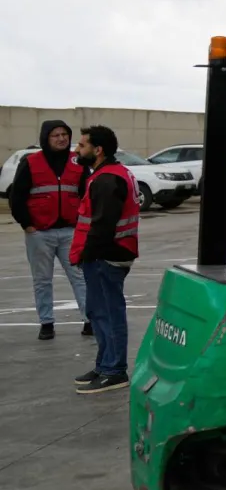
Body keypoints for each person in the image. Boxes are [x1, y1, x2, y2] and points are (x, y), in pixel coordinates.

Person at [69, 125, 138, 394]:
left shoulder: (107, 180)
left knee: (109, 314)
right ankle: (104, 365)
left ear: (98, 150)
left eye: (82, 145)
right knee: (98, 313)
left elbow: (102, 225)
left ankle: (114, 370)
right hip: (105, 256)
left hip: (105, 257)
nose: (76, 149)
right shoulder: (108, 175)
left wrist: (86, 255)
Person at [7, 120, 92, 340]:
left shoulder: (79, 161)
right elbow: (17, 196)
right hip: (39, 233)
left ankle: (89, 320)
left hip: (70, 232)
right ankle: (46, 323)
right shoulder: (31, 162)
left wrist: (83, 224)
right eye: (56, 135)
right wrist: (27, 224)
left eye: (65, 134)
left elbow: (87, 195)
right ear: (46, 138)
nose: (62, 138)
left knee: (80, 277)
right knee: (42, 279)